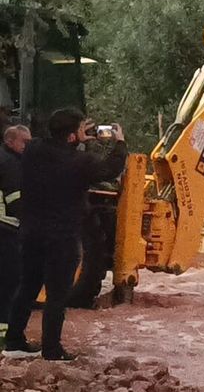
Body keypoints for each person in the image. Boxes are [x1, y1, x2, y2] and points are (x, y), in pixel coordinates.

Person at [3, 109, 127, 361]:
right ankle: (52, 350)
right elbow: (109, 170)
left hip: (31, 232)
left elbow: (50, 146)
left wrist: (77, 137)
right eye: (81, 128)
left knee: (27, 286)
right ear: (71, 136)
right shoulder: (80, 161)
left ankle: (14, 341)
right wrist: (120, 143)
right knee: (57, 294)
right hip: (62, 236)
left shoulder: (33, 150)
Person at [0, 125, 31, 347]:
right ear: (10, 142)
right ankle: (6, 335)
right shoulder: (10, 164)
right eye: (24, 142)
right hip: (6, 229)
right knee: (10, 282)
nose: (28, 147)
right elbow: (16, 202)